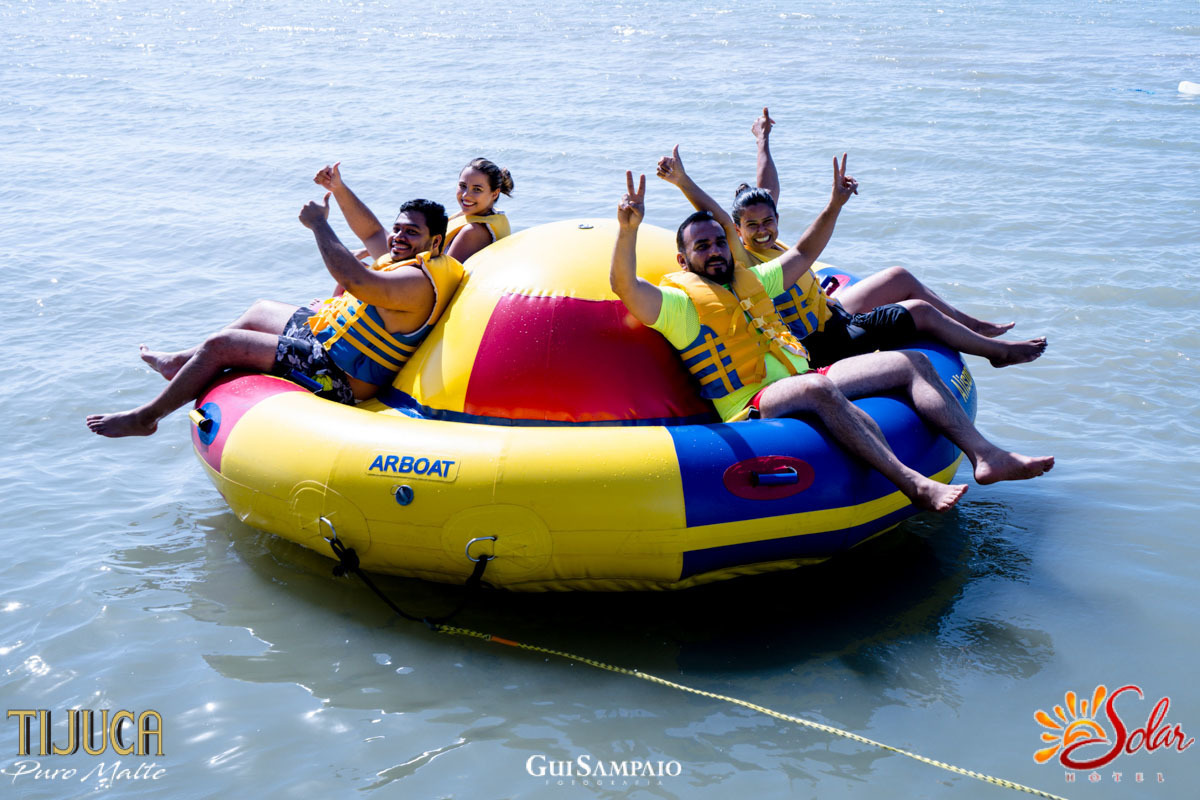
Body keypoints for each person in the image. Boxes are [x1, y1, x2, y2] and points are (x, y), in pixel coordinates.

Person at [610, 164, 1053, 513]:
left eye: (718, 243)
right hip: (751, 403)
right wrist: (628, 231)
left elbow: (805, 253)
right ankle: (914, 484)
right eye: (701, 247)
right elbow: (626, 288)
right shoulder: (679, 306)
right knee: (816, 387)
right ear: (684, 260)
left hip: (804, 373)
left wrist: (836, 204)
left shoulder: (754, 281)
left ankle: (985, 456)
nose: (714, 251)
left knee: (911, 363)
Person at [86, 196, 462, 438]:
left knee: (223, 346)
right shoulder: (413, 259)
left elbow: (354, 279)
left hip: (341, 376)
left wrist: (319, 224)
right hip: (329, 340)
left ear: (435, 243)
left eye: (411, 232)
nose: (398, 236)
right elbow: (372, 232)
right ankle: (181, 362)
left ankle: (146, 417)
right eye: (398, 227)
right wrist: (340, 187)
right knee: (261, 309)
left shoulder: (416, 281)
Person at [657, 141, 1047, 370]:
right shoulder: (742, 256)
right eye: (751, 225)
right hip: (815, 341)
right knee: (920, 313)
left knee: (898, 276)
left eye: (768, 221)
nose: (762, 230)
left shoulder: (767, 236)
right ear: (736, 231)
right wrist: (682, 181)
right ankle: (998, 353)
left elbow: (767, 185)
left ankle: (975, 325)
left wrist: (763, 140)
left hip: (829, 311)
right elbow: (719, 215)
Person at [314, 158, 512, 265]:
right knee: (374, 236)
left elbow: (443, 274)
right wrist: (368, 252)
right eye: (462, 186)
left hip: (418, 284)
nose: (466, 195)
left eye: (477, 189)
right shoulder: (485, 215)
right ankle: (337, 187)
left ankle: (337, 188)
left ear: (494, 193)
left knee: (372, 236)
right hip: (414, 259)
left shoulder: (474, 232)